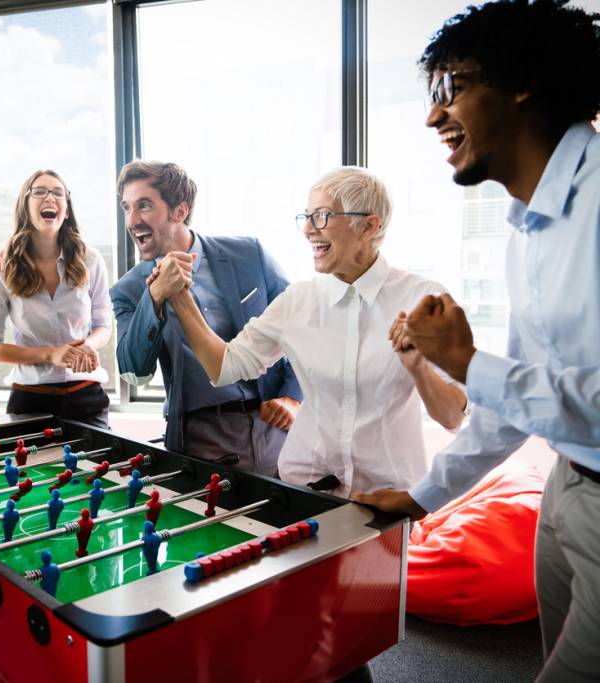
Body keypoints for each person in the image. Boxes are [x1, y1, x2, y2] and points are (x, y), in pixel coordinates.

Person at [354, 3, 600, 681]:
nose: (434, 117)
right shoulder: (528, 229)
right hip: (566, 484)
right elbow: (519, 397)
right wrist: (424, 495)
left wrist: (462, 359)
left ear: (521, 82)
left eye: (450, 89)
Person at [164, 166, 467, 499]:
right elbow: (224, 367)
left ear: (369, 226)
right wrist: (180, 297)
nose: (308, 229)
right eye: (306, 217)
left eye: (322, 216)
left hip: (389, 501)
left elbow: (453, 417)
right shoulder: (298, 301)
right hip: (304, 490)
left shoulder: (424, 299)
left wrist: (419, 368)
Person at [110, 160, 301, 475]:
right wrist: (154, 297)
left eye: (144, 206)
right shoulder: (128, 290)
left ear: (180, 211)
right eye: (127, 208)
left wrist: (293, 397)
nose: (132, 220)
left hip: (278, 428)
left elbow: (300, 328)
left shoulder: (250, 254)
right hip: (199, 441)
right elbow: (133, 373)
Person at [0, 170, 113, 428]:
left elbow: (103, 326)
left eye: (58, 193)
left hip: (87, 396)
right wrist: (51, 354)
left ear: (67, 208)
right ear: (25, 205)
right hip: (30, 401)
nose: (50, 198)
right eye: (39, 191)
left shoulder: (91, 260)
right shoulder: (3, 267)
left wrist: (89, 345)